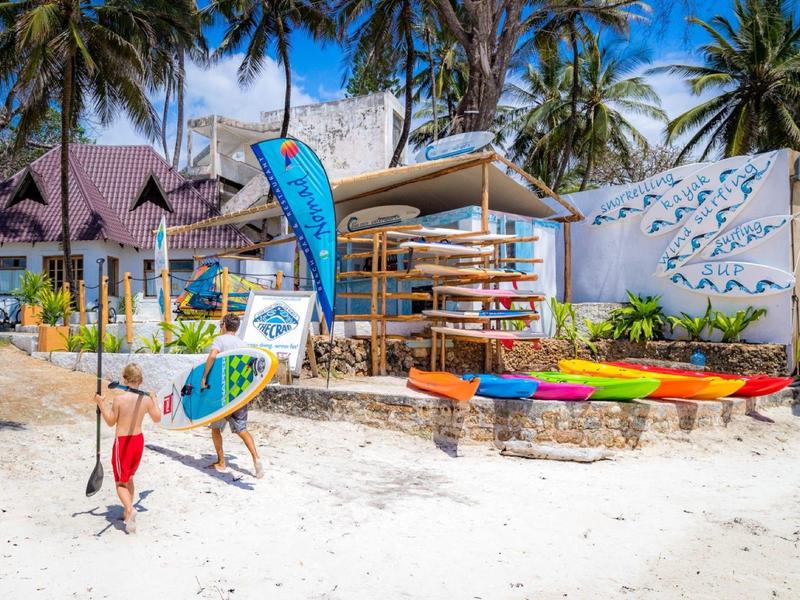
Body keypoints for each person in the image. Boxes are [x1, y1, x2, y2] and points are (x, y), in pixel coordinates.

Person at [95, 363, 161, 534]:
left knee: (120, 483)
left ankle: (130, 509)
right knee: (129, 478)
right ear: (141, 380)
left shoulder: (119, 399)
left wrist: (101, 404)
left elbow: (110, 422)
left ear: (124, 379)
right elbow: (157, 418)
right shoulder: (146, 399)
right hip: (138, 441)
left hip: (123, 443)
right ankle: (127, 514)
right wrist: (154, 399)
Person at [201, 313, 264, 478]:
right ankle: (256, 459)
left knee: (215, 429)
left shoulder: (220, 340)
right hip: (238, 395)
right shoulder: (243, 344)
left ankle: (221, 462)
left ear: (223, 325)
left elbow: (213, 355)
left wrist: (204, 377)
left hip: (222, 395)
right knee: (242, 430)